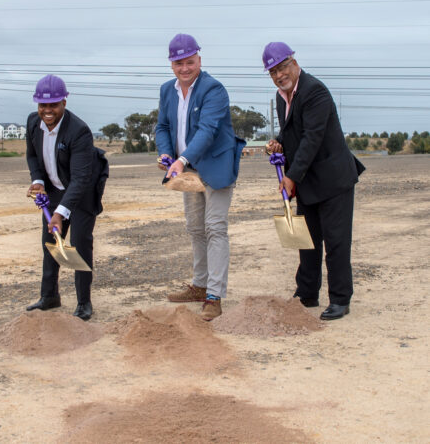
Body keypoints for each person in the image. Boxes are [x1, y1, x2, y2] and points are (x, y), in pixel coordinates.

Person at [262, 42, 365, 320]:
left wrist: (291, 177)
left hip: (333, 181)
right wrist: (279, 143)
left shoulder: (314, 91)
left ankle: (341, 300)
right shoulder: (283, 96)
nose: (279, 75)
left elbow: (312, 137)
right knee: (307, 242)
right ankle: (307, 294)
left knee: (336, 242)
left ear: (294, 63)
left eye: (282, 67)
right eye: (272, 72)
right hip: (308, 181)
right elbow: (294, 133)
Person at [155, 34, 245, 321]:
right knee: (195, 228)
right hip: (187, 169)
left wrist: (181, 160)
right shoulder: (167, 91)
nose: (185, 68)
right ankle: (200, 284)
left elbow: (207, 131)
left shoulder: (213, 89)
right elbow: (163, 126)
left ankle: (214, 296)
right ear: (171, 64)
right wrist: (167, 155)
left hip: (215, 168)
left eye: (190, 62)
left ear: (199, 60)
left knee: (215, 228)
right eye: (179, 63)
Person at [25, 74, 109, 321]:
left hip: (82, 193)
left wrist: (61, 213)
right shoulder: (33, 122)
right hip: (53, 190)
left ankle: (84, 302)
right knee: (50, 243)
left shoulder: (79, 131)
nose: (47, 110)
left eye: (53, 105)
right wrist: (38, 181)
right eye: (43, 105)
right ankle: (49, 296)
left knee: (80, 245)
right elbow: (32, 156)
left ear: (64, 102)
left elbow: (81, 179)